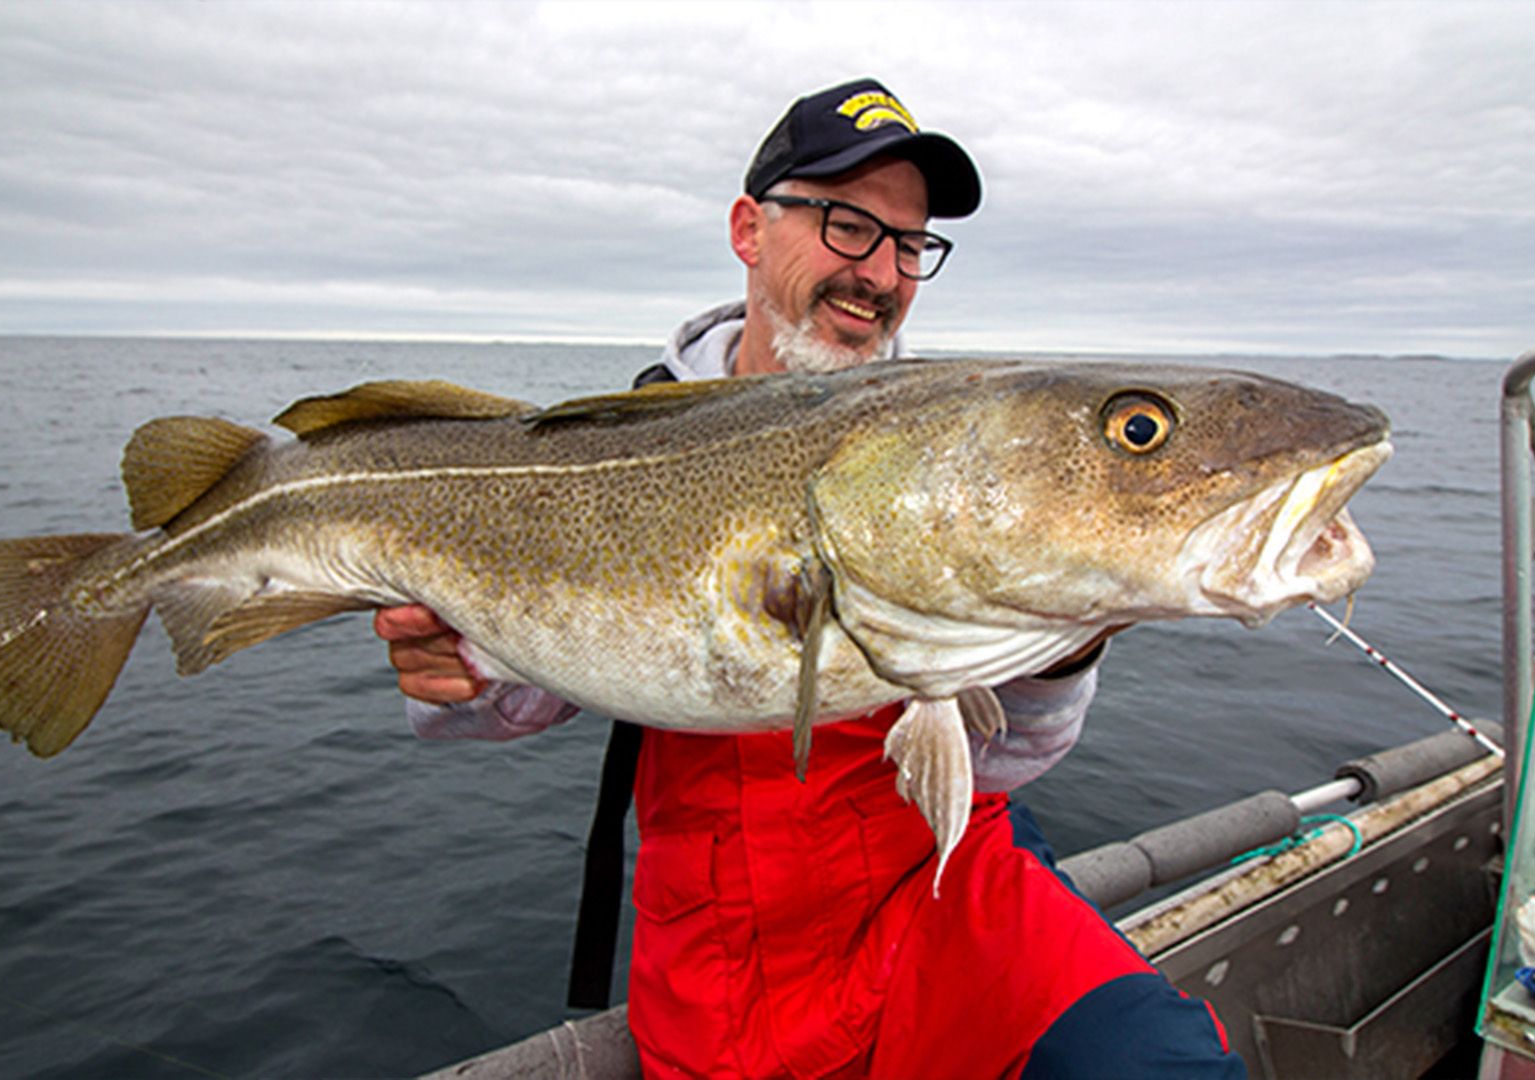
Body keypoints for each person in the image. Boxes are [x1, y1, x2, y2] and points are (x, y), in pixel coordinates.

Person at [377, 78, 1244, 1079]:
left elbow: (1001, 766)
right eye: (847, 225)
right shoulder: (607, 442)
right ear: (750, 229)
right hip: (726, 934)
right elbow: (500, 704)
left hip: (945, 887)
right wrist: (458, 667)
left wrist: (1073, 636)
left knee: (1164, 1067)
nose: (880, 273)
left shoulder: (970, 448)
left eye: (909, 245)